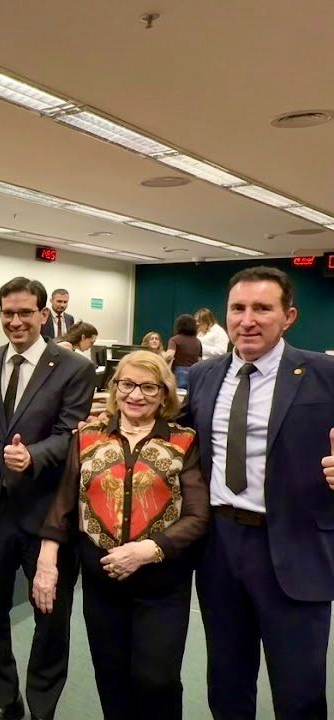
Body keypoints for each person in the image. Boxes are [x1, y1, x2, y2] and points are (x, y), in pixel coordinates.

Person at [180, 266, 334, 719]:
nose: (247, 320)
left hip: (296, 546)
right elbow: (179, 441)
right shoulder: (205, 375)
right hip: (220, 545)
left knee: (299, 688)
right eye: (238, 308)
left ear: (289, 317)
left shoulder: (325, 373)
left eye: (262, 309)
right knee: (227, 679)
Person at [33, 350, 209, 720]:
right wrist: (46, 562)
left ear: (164, 393)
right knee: (111, 678)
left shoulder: (184, 441)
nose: (136, 394)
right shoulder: (87, 437)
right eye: (127, 384)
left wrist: (149, 550)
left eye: (148, 387)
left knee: (157, 679)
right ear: (115, 388)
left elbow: (197, 515)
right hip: (102, 584)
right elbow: (64, 504)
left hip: (162, 584)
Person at [0, 277, 96, 720]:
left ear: (44, 314)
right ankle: (5, 700)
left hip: (48, 515)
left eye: (25, 312)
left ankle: (42, 708)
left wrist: (34, 456)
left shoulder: (74, 367)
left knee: (51, 618)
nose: (16, 321)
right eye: (8, 313)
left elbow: (72, 435)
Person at [167, 314, 202, 390]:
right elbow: (200, 360)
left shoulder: (174, 340)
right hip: (194, 372)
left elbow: (169, 356)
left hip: (179, 372)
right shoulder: (197, 342)